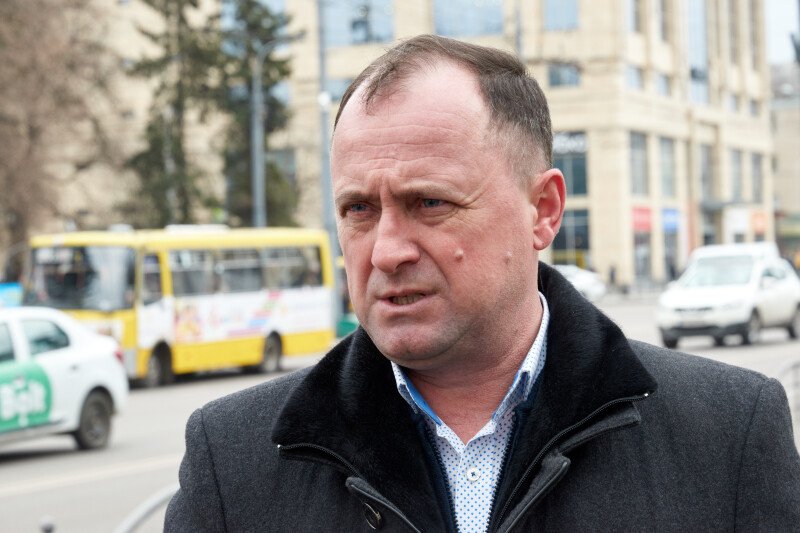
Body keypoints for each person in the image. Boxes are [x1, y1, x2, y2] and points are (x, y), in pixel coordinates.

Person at [165, 35, 799, 532]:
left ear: (543, 210)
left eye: (430, 203)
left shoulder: (729, 435)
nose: (386, 250)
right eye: (359, 209)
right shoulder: (233, 459)